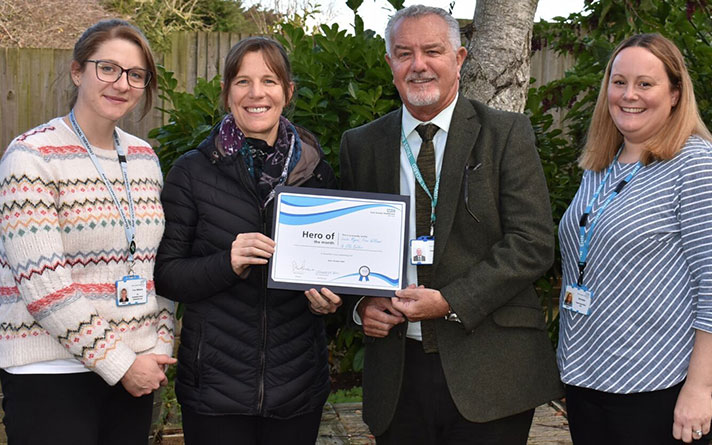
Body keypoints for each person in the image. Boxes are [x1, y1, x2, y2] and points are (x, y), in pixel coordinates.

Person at [338, 5, 563, 444]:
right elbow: (351, 247)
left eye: (432, 51)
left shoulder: (506, 134)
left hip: (492, 369)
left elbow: (533, 242)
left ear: (459, 59)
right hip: (397, 371)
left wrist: (450, 300)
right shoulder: (361, 145)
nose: (418, 65)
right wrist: (361, 303)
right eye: (404, 53)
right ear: (390, 65)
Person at [154, 36, 339, 445]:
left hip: (298, 386)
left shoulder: (316, 172)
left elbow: (333, 265)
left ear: (288, 92)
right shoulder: (191, 172)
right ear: (226, 93)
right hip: (215, 390)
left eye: (269, 81)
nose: (257, 93)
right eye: (242, 81)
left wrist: (330, 298)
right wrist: (227, 262)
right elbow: (167, 275)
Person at [0, 19, 176, 444]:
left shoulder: (144, 158)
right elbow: (44, 286)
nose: (122, 84)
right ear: (78, 71)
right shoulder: (30, 156)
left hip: (135, 368)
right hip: (51, 372)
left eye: (136, 75)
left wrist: (159, 347)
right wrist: (119, 363)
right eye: (108, 68)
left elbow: (158, 264)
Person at [557, 33, 712, 445]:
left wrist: (699, 389)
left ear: (674, 93)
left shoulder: (700, 166)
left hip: (662, 383)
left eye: (645, 84)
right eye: (619, 82)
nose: (628, 95)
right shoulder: (602, 164)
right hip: (589, 377)